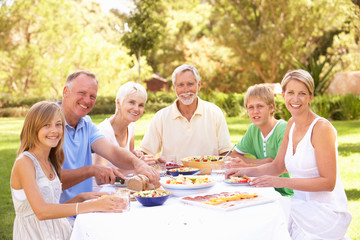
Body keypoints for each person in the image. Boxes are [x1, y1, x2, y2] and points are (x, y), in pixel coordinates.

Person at [226, 69, 351, 239]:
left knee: (264, 220)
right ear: (283, 95)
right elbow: (277, 166)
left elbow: (328, 182)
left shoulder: (321, 128)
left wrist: (279, 181)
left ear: (311, 97)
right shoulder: (291, 124)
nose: (295, 99)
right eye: (290, 93)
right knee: (252, 211)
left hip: (324, 213)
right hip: (298, 206)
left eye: (302, 93)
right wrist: (244, 171)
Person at [10, 101, 127, 240]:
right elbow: (41, 212)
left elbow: (52, 207)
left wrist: (80, 198)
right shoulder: (24, 162)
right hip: (33, 235)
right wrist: (92, 206)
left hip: (58, 232)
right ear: (33, 127)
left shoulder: (50, 161)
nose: (54, 130)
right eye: (46, 125)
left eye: (58, 124)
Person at [60, 70, 160, 204]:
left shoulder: (87, 124)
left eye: (92, 96)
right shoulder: (50, 125)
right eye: (82, 93)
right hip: (60, 214)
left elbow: (113, 151)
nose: (87, 100)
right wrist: (91, 170)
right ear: (65, 91)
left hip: (85, 208)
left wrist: (138, 163)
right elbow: (50, 180)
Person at [139, 64, 232, 162]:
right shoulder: (161, 117)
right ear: (174, 87)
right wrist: (142, 156)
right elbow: (146, 152)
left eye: (190, 84)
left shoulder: (215, 113)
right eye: (180, 85)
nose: (186, 90)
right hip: (173, 176)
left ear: (198, 85)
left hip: (208, 175)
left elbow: (225, 152)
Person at [93, 81, 162, 190]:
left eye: (141, 105)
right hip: (102, 194)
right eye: (131, 102)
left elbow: (128, 162)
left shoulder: (131, 127)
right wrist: (137, 165)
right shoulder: (103, 132)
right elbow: (100, 179)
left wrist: (138, 158)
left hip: (123, 189)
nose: (136, 109)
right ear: (118, 102)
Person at [227, 84, 293, 197]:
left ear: (272, 107)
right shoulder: (253, 129)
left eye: (260, 106)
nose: (255, 111)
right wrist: (265, 162)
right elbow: (234, 155)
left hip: (286, 193)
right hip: (261, 188)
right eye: (250, 107)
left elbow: (282, 167)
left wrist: (246, 166)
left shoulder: (283, 129)